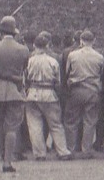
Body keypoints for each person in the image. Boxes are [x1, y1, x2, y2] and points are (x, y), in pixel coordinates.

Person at [0, 16, 28, 172]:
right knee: (11, 128)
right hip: (14, 91)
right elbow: (24, 69)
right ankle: (7, 162)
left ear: (0, 32)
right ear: (14, 32)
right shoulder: (23, 49)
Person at [24, 32, 71, 160]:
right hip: (49, 92)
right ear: (47, 46)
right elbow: (58, 80)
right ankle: (62, 151)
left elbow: (25, 79)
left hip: (32, 92)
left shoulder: (29, 60)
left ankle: (39, 153)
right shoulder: (52, 61)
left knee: (35, 125)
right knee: (55, 124)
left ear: (34, 45)